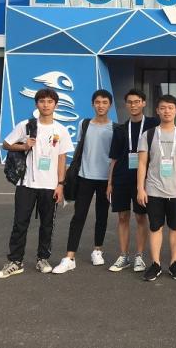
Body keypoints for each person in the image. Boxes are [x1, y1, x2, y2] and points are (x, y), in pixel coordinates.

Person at [0, 88, 74, 278]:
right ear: (36, 104)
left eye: (49, 101)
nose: (46, 105)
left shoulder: (61, 130)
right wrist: (23, 146)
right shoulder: (26, 125)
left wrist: (61, 184)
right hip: (26, 184)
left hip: (50, 185)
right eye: (42, 101)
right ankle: (15, 261)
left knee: (47, 225)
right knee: (20, 223)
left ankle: (42, 259)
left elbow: (62, 159)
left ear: (56, 105)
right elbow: (6, 143)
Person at [53, 90, 114, 274]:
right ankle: (69, 257)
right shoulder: (84, 124)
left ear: (110, 105)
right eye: (97, 102)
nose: (101, 105)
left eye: (104, 102)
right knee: (78, 216)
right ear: (92, 104)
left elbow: (114, 158)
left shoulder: (115, 128)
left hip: (105, 179)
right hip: (84, 177)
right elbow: (80, 149)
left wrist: (112, 181)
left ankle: (97, 250)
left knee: (102, 216)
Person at [137, 95, 176, 282]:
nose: (167, 111)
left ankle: (174, 263)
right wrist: (140, 189)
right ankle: (155, 264)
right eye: (163, 108)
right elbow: (142, 164)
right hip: (154, 189)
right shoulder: (148, 135)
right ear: (157, 111)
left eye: (170, 107)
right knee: (155, 227)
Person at [108, 89, 159, 273]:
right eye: (130, 102)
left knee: (140, 217)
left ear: (143, 103)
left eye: (137, 101)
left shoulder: (153, 124)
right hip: (121, 178)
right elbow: (114, 159)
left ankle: (139, 256)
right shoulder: (120, 129)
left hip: (144, 180)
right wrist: (110, 183)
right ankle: (124, 255)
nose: (133, 105)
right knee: (122, 217)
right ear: (126, 105)